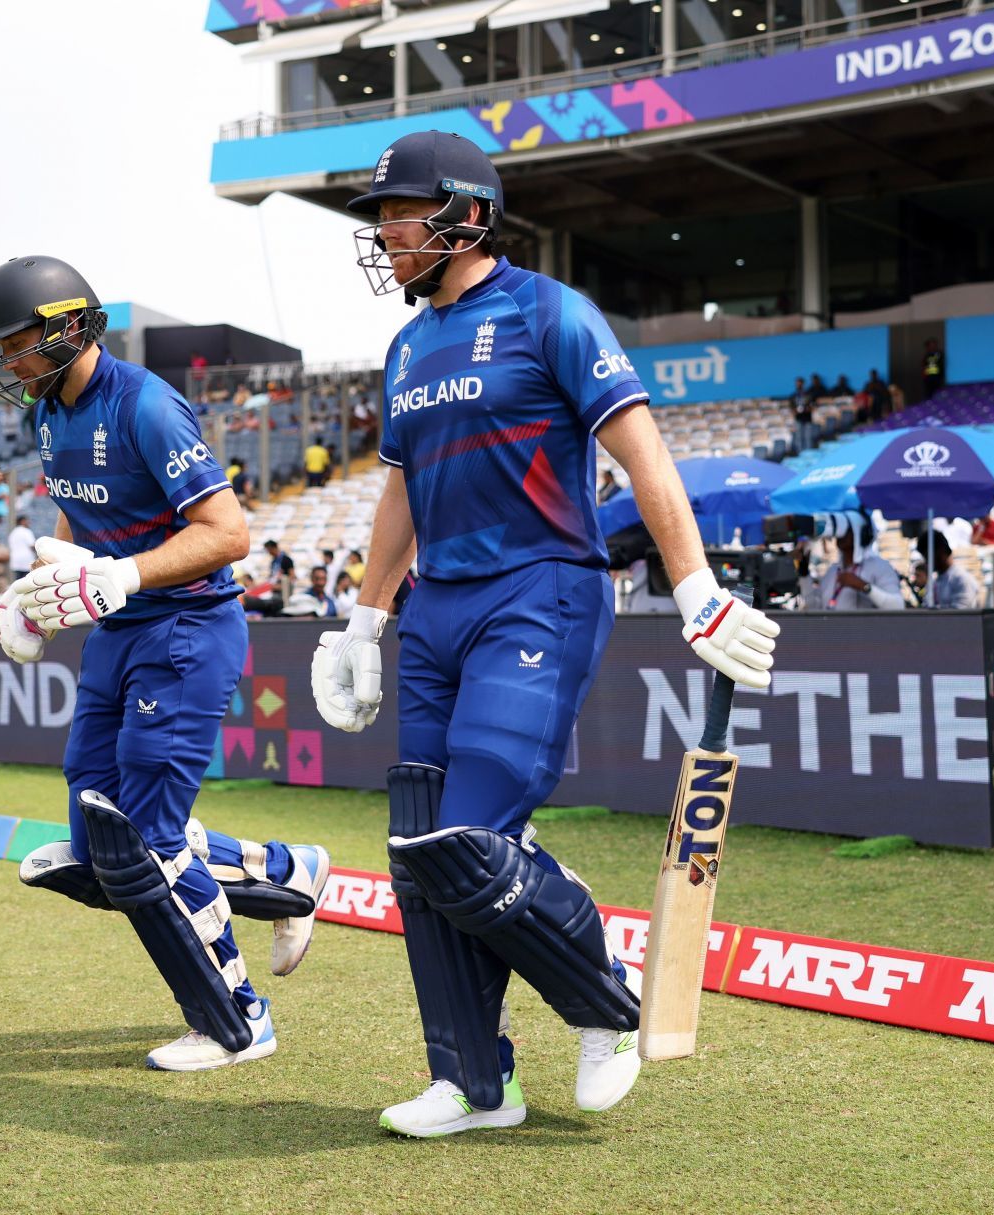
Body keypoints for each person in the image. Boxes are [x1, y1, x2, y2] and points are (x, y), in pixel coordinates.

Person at [319, 132, 778, 1137]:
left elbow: (646, 458)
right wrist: (365, 614)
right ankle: (476, 1086)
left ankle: (604, 996)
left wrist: (693, 587)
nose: (387, 232)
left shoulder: (550, 313)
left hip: (539, 594)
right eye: (384, 216)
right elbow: (399, 488)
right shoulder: (406, 347)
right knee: (416, 851)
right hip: (434, 612)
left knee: (466, 841)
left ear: (467, 215)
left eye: (403, 212)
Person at [0, 252, 331, 1073]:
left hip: (187, 628)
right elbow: (79, 518)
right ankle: (288, 872)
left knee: (148, 842)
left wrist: (123, 573)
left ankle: (238, 1020)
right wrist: (45, 588)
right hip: (120, 630)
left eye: (18, 340)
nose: (8, 359)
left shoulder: (146, 405)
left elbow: (227, 533)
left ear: (67, 326)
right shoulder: (49, 412)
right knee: (99, 839)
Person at [811, 512, 904, 610]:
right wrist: (804, 575)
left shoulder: (880, 567)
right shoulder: (833, 571)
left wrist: (864, 586)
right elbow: (814, 608)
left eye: (848, 530)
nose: (840, 535)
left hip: (864, 625)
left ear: (862, 534)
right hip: (833, 625)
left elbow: (897, 606)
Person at [916, 541, 978, 609]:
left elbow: (960, 612)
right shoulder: (935, 581)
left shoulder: (962, 579)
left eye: (928, 556)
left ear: (941, 552)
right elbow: (926, 605)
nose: (927, 561)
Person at [789, 376, 815, 452]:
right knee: (798, 437)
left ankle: (809, 454)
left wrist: (806, 409)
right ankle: (800, 453)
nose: (799, 385)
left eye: (800, 383)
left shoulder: (809, 395)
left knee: (808, 437)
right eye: (797, 383)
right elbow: (792, 409)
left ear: (803, 384)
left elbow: (813, 407)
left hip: (807, 419)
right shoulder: (793, 396)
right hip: (798, 419)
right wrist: (797, 411)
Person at [7, 514, 37, 580]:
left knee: (18, 582)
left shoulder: (13, 533)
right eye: (27, 521)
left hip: (15, 561)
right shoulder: (26, 531)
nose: (28, 522)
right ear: (22, 521)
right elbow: (32, 546)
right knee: (27, 582)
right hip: (26, 561)